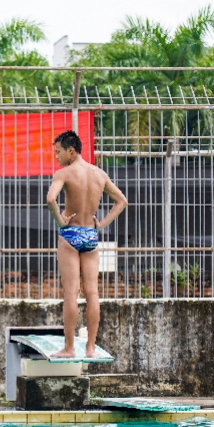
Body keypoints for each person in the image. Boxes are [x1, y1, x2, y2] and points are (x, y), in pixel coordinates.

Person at [46, 130, 128, 358]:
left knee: (71, 293)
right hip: (90, 235)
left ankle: (70, 348)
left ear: (71, 151)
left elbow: (50, 198)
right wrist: (101, 224)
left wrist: (60, 222)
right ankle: (90, 347)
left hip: (70, 234)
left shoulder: (64, 173)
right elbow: (122, 201)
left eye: (59, 152)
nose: (57, 157)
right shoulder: (99, 174)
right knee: (92, 292)